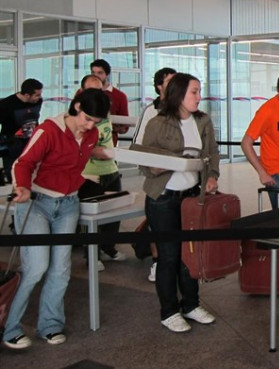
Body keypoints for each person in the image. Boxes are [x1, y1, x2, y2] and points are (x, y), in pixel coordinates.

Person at [2, 88, 110, 350]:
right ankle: (10, 328)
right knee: (36, 267)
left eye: (95, 122)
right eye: (86, 118)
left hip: (69, 204)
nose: (89, 126)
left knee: (61, 270)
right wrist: (23, 187)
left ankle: (50, 325)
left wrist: (98, 154)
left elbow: (77, 159)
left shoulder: (91, 134)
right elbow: (22, 163)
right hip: (37, 203)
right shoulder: (49, 130)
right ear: (75, 106)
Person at [139, 72, 219, 333]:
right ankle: (169, 311)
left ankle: (191, 304)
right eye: (194, 91)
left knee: (190, 254)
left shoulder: (202, 121)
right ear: (179, 95)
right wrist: (159, 168)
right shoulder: (158, 122)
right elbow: (145, 161)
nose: (199, 96)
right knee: (169, 257)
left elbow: (212, 154)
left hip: (191, 198)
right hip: (163, 199)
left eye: (199, 91)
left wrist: (212, 176)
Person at [76, 75, 127, 272]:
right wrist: (92, 151)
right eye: (91, 90)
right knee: (92, 219)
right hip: (89, 174)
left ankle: (108, 247)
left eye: (100, 90)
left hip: (111, 170)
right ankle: (92, 255)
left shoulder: (105, 112)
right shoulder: (77, 116)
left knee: (115, 213)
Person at [133, 67, 176, 282]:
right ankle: (157, 262)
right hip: (159, 180)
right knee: (156, 223)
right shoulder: (151, 111)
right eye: (169, 82)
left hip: (181, 182)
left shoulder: (185, 110)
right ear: (159, 86)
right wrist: (152, 169)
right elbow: (138, 144)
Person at [241, 71, 279, 208]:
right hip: (276, 171)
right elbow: (246, 143)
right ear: (277, 90)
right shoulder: (267, 111)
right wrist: (262, 173)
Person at [0, 78, 44, 185]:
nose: (40, 97)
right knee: (15, 178)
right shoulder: (6, 105)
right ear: (27, 95)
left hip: (30, 144)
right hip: (12, 146)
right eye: (37, 95)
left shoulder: (38, 101)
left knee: (34, 176)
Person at [90, 59, 129, 145]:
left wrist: (112, 127)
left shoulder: (119, 96)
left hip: (107, 144)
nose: (95, 76)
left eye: (100, 73)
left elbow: (125, 126)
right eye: (93, 72)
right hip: (84, 142)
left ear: (107, 74)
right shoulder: (82, 92)